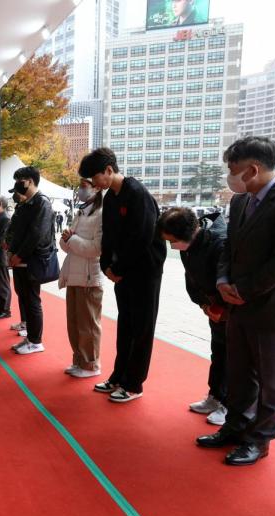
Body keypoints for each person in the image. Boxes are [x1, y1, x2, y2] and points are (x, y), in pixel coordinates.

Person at [196, 136, 275, 466]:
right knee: (238, 371)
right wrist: (223, 281)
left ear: (253, 168)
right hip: (239, 301)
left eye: (233, 170)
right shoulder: (240, 202)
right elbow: (228, 248)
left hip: (274, 305)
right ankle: (235, 427)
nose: (230, 176)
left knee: (272, 379)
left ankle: (260, 439)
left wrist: (243, 289)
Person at [82, 147, 166, 403]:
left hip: (144, 271)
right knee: (125, 326)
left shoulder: (137, 194)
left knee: (142, 328)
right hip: (122, 272)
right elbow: (109, 235)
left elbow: (141, 239)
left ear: (108, 170)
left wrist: (118, 269)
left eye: (94, 178)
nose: (93, 184)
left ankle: (134, 384)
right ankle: (119, 375)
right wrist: (107, 265)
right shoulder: (111, 198)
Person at [157, 207, 229, 425]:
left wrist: (221, 307)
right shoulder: (188, 246)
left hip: (228, 308)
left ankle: (230, 404)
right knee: (218, 352)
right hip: (211, 305)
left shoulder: (219, 244)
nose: (172, 246)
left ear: (186, 235)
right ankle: (215, 396)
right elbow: (192, 279)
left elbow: (226, 279)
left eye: (173, 241)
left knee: (232, 357)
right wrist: (204, 304)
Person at [59, 180, 106, 379]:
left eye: (85, 185)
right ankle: (79, 360)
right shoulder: (81, 212)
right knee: (75, 322)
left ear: (96, 187)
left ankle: (91, 364)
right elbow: (66, 244)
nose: (81, 189)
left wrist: (72, 240)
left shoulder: (100, 214)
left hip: (89, 277)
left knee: (88, 324)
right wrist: (66, 238)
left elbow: (97, 249)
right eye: (80, 185)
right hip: (75, 274)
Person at [7, 166, 55, 355]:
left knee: (32, 300)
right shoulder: (27, 203)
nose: (18, 184)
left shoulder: (42, 203)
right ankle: (30, 336)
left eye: (21, 180)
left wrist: (20, 254)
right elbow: (18, 231)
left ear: (31, 181)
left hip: (32, 259)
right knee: (25, 298)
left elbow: (37, 234)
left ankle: (36, 341)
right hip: (20, 259)